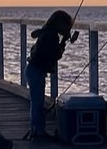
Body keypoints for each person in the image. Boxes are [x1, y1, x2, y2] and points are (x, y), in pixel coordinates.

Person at [25, 10, 74, 140]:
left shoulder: (47, 31)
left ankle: (36, 129)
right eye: (66, 25)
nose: (68, 28)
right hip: (36, 72)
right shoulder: (52, 36)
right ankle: (37, 132)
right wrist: (62, 47)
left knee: (36, 102)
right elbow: (53, 55)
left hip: (33, 70)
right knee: (37, 103)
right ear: (59, 23)